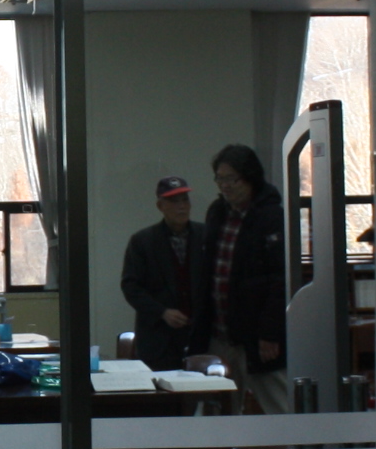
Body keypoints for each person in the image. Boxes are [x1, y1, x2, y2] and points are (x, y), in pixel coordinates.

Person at [197, 143, 290, 411]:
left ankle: (296, 441)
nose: (225, 186)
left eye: (231, 179)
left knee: (279, 403)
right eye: (220, 179)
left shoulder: (271, 217)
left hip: (257, 336)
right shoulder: (217, 212)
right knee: (217, 409)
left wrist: (270, 333)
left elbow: (279, 280)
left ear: (250, 178)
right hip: (219, 332)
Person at [119, 176, 208, 371]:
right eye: (174, 201)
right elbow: (131, 287)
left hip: (200, 337)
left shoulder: (205, 236)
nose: (181, 207)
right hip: (158, 340)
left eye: (185, 200)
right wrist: (162, 312)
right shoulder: (143, 241)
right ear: (160, 206)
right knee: (160, 387)